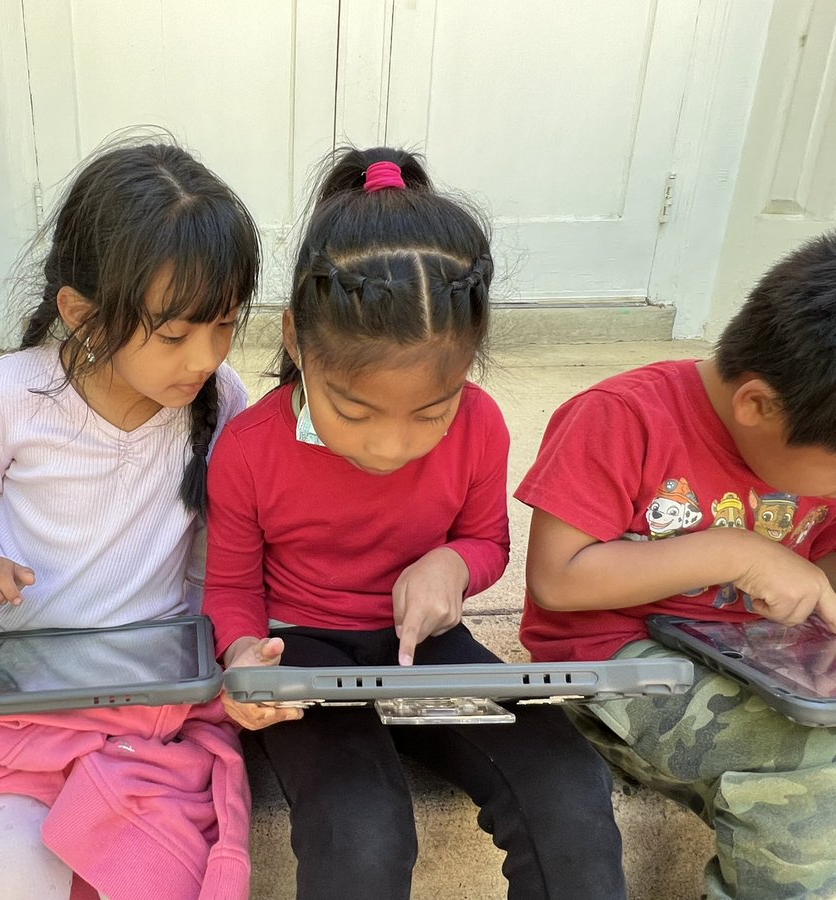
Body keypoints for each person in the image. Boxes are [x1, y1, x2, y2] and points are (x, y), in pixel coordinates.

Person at [205, 147, 627, 900]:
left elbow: (487, 542)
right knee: (360, 828)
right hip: (303, 659)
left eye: (431, 411)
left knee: (565, 784)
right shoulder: (247, 449)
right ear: (299, 340)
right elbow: (232, 586)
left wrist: (454, 566)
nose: (390, 445)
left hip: (429, 648)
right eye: (355, 410)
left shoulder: (482, 426)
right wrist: (244, 654)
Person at [0, 141, 260, 900]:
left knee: (153, 872)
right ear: (80, 313)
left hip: (154, 702)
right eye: (175, 335)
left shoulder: (224, 401)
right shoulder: (15, 395)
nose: (205, 357)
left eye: (226, 325)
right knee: (13, 880)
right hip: (18, 702)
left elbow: (229, 548)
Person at [520, 233, 836, 899]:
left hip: (769, 665)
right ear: (757, 406)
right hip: (620, 674)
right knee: (815, 777)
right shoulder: (620, 418)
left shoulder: (809, 440)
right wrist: (737, 552)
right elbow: (557, 577)